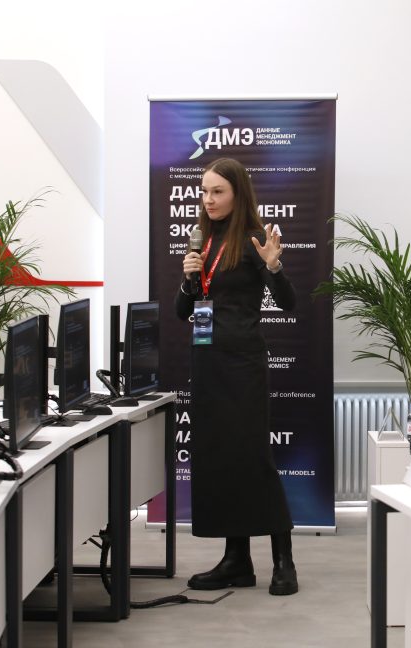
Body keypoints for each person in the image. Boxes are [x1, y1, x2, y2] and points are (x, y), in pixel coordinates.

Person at [174, 157, 299, 596]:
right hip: (207, 364)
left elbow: (287, 303)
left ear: (237, 193)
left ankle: (284, 560)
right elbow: (183, 310)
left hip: (243, 365)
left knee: (253, 460)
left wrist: (274, 266)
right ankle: (236, 561)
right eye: (204, 191)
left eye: (217, 192)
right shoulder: (203, 241)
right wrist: (188, 280)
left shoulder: (253, 239)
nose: (208, 200)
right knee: (221, 460)